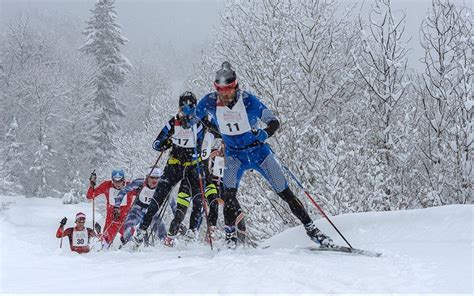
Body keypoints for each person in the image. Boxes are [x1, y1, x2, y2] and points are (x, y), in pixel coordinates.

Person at [186, 61, 335, 248]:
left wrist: (264, 133)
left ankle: (313, 231)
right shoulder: (209, 101)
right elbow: (193, 119)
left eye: (228, 89)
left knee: (285, 192)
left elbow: (274, 122)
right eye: (220, 89)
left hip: (259, 153)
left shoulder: (248, 101)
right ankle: (231, 240)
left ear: (236, 86)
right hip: (234, 156)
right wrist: (193, 118)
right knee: (229, 196)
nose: (224, 94)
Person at [132, 91, 208, 248]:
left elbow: (218, 132)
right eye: (183, 107)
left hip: (193, 166)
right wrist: (165, 143)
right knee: (157, 199)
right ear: (179, 108)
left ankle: (192, 231)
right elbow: (156, 143)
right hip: (174, 166)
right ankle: (141, 231)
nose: (186, 111)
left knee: (198, 198)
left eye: (190, 107)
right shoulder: (173, 123)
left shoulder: (201, 122)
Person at [114, 166, 177, 247]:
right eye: (152, 177)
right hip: (137, 211)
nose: (154, 180)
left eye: (157, 178)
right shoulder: (140, 183)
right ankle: (126, 246)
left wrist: (178, 220)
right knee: (128, 227)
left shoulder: (163, 187)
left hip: (152, 212)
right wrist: (116, 207)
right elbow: (123, 191)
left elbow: (173, 204)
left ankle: (166, 249)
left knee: (162, 233)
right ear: (147, 177)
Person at [86, 168, 135, 248]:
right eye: (115, 181)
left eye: (120, 181)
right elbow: (90, 196)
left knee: (129, 245)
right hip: (111, 222)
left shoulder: (130, 187)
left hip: (125, 222)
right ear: (112, 180)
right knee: (105, 245)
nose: (118, 184)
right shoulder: (107, 185)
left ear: (123, 180)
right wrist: (92, 185)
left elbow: (144, 192)